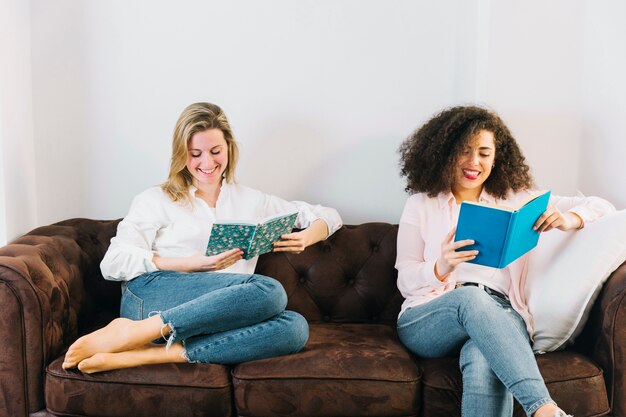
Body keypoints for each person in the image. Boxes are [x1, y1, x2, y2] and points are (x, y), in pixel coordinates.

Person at [62, 102, 342, 374]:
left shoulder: (252, 201)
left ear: (229, 149)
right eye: (195, 153)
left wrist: (306, 236)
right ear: (181, 154)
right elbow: (112, 264)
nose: (207, 163)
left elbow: (327, 215)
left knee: (294, 328)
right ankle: (135, 331)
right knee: (270, 291)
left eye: (216, 151)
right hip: (152, 297)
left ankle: (148, 354)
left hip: (219, 314)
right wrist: (186, 264)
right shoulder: (155, 199)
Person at [395, 106, 615, 417]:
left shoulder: (515, 199)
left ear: (497, 158)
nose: (474, 162)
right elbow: (405, 281)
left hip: (500, 311)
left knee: (485, 356)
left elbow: (603, 207)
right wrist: (440, 266)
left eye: (484, 153)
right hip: (429, 316)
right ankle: (544, 409)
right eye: (465, 151)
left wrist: (570, 219)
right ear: (445, 153)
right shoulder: (420, 205)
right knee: (470, 297)